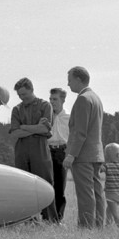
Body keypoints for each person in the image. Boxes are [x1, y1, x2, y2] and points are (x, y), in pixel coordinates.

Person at [9, 78, 59, 222]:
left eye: (24, 94)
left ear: (32, 90)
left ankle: (50, 219)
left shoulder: (45, 106)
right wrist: (35, 128)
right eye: (19, 95)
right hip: (21, 150)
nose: (22, 98)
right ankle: (26, 219)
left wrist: (24, 126)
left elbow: (45, 128)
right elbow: (15, 133)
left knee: (46, 183)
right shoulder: (17, 109)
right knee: (23, 184)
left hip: (40, 149)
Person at [63, 66, 105, 228]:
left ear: (79, 79)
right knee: (96, 192)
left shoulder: (83, 99)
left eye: (70, 80)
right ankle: (98, 225)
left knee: (85, 194)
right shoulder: (95, 98)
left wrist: (71, 154)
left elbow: (80, 132)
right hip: (95, 154)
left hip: (82, 155)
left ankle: (86, 228)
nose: (68, 84)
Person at [46, 87, 70, 220]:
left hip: (61, 151)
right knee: (46, 184)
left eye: (55, 99)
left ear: (63, 100)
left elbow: (72, 137)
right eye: (50, 99)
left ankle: (58, 219)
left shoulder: (69, 118)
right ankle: (46, 217)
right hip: (47, 151)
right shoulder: (46, 117)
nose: (52, 102)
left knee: (60, 186)